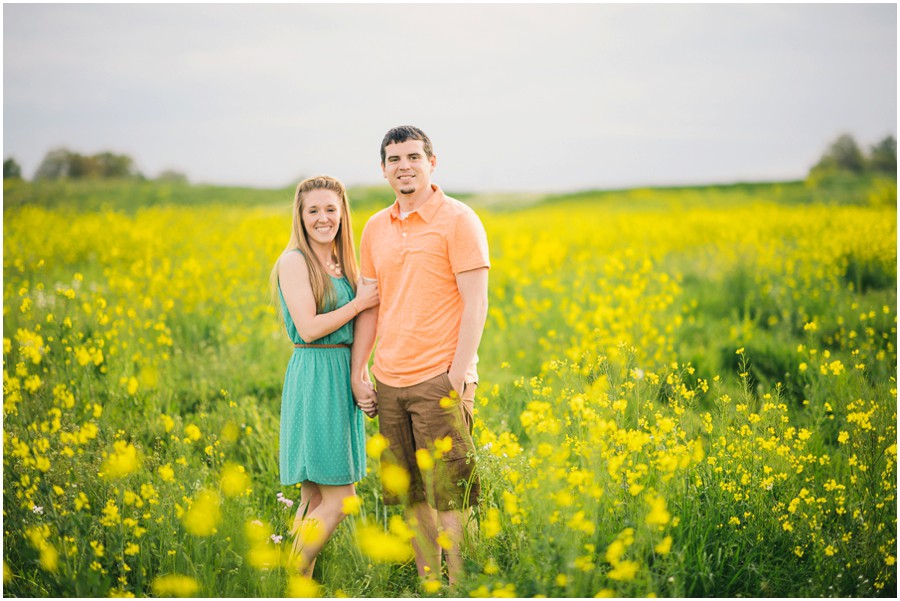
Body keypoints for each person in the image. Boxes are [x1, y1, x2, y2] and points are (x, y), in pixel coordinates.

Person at [350, 126, 490, 585]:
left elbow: (476, 302)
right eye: (394, 159)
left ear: (432, 161)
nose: (403, 166)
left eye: (413, 156)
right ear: (384, 168)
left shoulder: (458, 219)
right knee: (408, 494)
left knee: (452, 495)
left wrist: (456, 375)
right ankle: (430, 583)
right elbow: (371, 305)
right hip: (389, 382)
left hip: (438, 378)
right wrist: (361, 370)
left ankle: (459, 586)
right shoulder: (374, 227)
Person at [271, 175, 379, 577]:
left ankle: (297, 585)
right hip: (314, 375)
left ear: (342, 213)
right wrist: (360, 303)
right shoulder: (295, 260)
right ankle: (288, 575)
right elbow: (310, 326)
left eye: (331, 209)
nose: (323, 218)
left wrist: (360, 373)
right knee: (340, 498)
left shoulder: (343, 260)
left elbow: (363, 325)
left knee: (315, 495)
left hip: (339, 373)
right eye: (313, 210)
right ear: (300, 215)